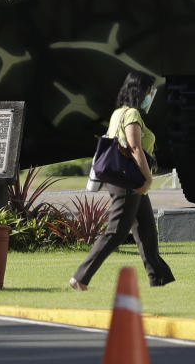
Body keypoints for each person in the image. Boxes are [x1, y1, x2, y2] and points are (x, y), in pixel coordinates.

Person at [69, 70, 174, 291]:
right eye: (149, 90)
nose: (151, 94)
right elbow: (135, 148)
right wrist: (147, 179)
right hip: (129, 181)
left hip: (125, 180)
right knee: (116, 232)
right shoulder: (132, 114)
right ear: (140, 90)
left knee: (146, 232)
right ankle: (80, 277)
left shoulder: (119, 112)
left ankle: (159, 279)